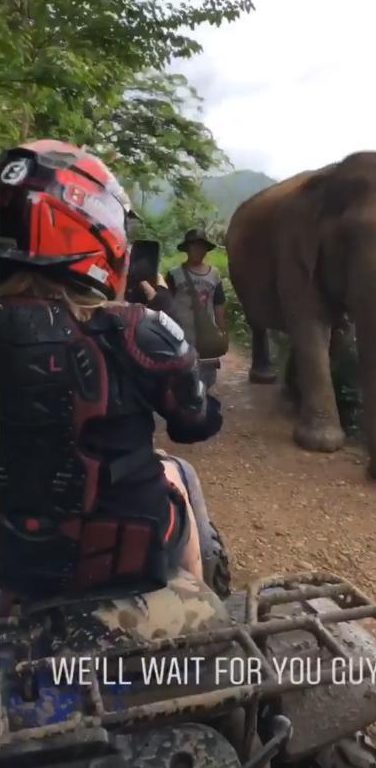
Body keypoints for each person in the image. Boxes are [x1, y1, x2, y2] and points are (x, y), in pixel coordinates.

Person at [0, 139, 222, 601]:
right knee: (178, 472)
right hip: (119, 565)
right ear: (97, 230)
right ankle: (202, 614)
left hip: (13, 568)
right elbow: (195, 425)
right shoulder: (139, 331)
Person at [166, 228, 227, 389]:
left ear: (206, 250)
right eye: (194, 246)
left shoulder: (214, 274)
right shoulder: (174, 275)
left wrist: (222, 330)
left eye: (201, 247)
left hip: (206, 337)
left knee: (206, 382)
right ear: (187, 249)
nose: (198, 250)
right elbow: (166, 304)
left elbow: (219, 303)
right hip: (181, 335)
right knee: (182, 380)